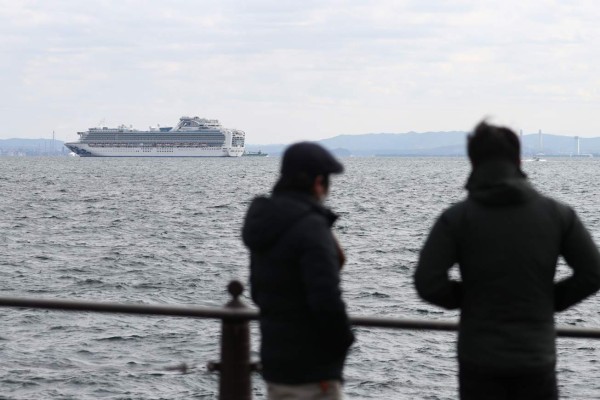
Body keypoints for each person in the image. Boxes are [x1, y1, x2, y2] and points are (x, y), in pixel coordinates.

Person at [414, 121, 600, 399]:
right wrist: (549, 300)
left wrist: (469, 298)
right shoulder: (558, 215)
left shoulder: (456, 218)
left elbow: (427, 282)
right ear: (518, 160)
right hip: (535, 358)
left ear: (473, 161)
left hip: (479, 360)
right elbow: (593, 273)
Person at [242, 142, 355, 399]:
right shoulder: (311, 228)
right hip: (313, 369)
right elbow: (326, 299)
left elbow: (258, 292)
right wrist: (344, 341)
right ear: (318, 182)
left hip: (275, 361)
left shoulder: (266, 222)